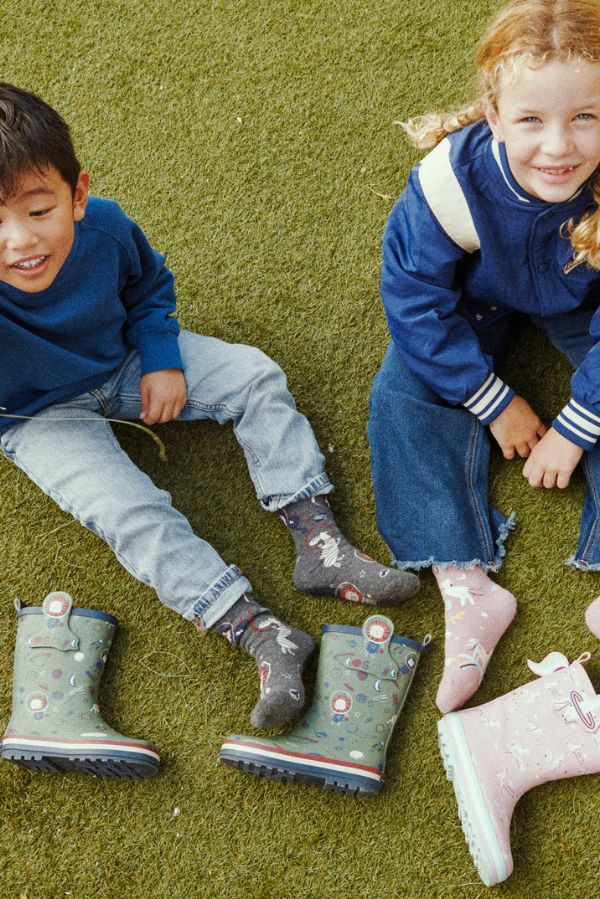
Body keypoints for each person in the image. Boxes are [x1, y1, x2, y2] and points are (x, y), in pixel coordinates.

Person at [0, 83, 420, 731]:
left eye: (38, 209)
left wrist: (161, 357)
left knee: (253, 376)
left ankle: (320, 544)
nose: (19, 241)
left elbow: (149, 287)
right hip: (37, 414)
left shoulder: (104, 227)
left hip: (123, 359)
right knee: (128, 510)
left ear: (77, 195)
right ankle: (260, 632)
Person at [368, 0, 600, 714]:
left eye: (586, 117)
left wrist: (577, 424)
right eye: (530, 120)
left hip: (588, 299)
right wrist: (493, 401)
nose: (558, 146)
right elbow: (413, 299)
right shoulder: (451, 182)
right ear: (493, 116)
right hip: (482, 297)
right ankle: (467, 589)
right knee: (402, 393)